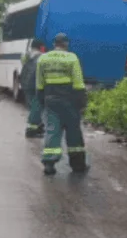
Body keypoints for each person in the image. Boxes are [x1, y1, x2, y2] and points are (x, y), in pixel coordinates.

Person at [35, 33, 88, 175]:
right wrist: (82, 102)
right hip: (69, 100)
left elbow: (39, 83)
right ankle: (78, 165)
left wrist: (41, 100)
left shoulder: (43, 58)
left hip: (50, 99)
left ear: (54, 44)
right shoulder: (71, 58)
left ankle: (49, 163)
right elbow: (78, 83)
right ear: (66, 44)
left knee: (52, 130)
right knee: (73, 132)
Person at [20, 39, 46, 138]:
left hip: (26, 83)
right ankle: (31, 130)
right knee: (36, 108)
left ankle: (38, 127)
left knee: (33, 107)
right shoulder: (41, 57)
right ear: (41, 47)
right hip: (35, 85)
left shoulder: (26, 55)